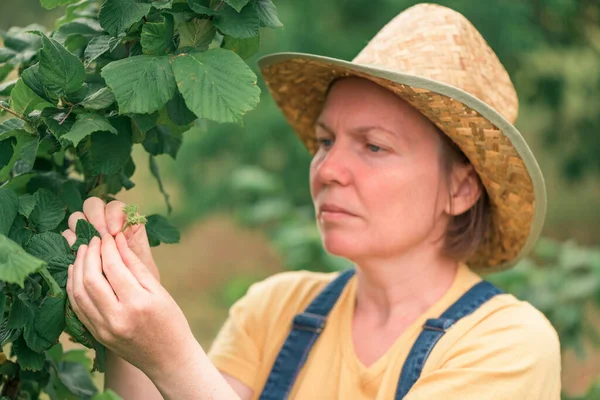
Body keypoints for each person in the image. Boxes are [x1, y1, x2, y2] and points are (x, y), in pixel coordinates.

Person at [61, 3, 561, 400]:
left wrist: (174, 356)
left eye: (373, 145)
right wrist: (124, 317)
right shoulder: (276, 308)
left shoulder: (507, 344)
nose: (327, 170)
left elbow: (186, 379)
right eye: (325, 141)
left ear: (461, 188)